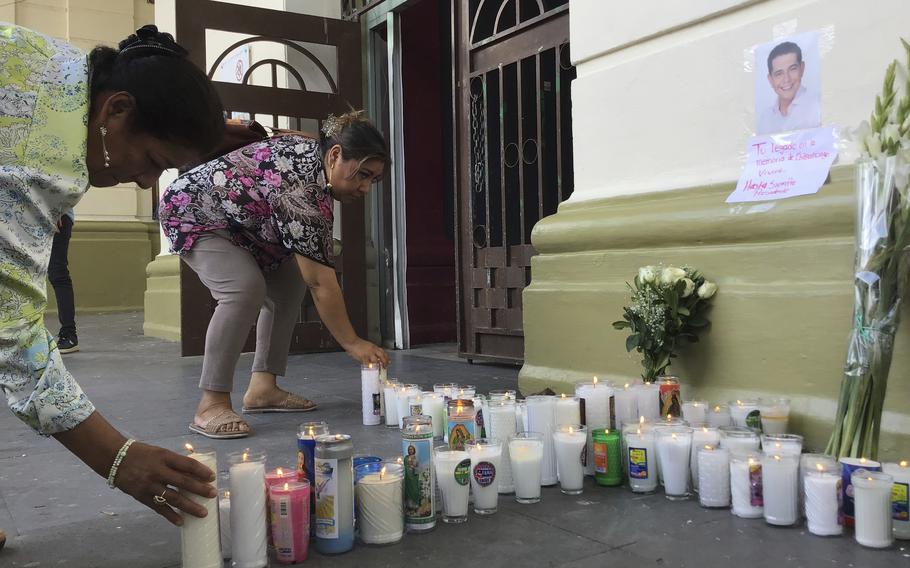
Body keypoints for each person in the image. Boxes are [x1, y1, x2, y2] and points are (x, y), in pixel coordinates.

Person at [0, 23, 226, 528]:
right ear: (116, 109)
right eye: (152, 161)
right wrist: (116, 457)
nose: (148, 181)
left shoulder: (63, 70)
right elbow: (12, 336)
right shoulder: (39, 154)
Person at [160, 110, 391, 439]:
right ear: (336, 156)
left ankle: (262, 388)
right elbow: (320, 281)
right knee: (243, 290)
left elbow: (309, 273)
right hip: (193, 211)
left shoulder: (319, 158)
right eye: (362, 175)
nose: (365, 188)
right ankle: (211, 403)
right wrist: (352, 343)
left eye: (373, 179)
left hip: (243, 224)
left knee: (288, 283)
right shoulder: (302, 191)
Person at [756, 41, 821, 135]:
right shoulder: (765, 119)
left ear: (802, 68)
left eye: (792, 69)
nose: (786, 79)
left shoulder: (818, 106)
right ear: (770, 80)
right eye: (779, 74)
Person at [49, 208, 79, 353]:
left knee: (57, 273)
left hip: (58, 214)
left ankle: (69, 334)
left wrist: (58, 207)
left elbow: (73, 186)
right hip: (26, 214)